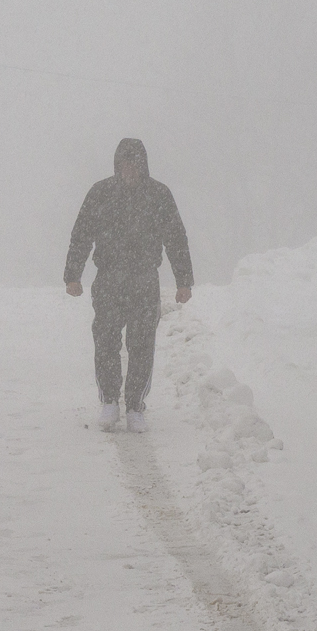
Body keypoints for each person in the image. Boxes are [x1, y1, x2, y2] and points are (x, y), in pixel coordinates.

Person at [62, 136, 192, 431]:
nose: (129, 170)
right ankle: (109, 400)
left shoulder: (159, 195)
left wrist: (184, 280)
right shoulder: (101, 193)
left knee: (141, 344)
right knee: (106, 340)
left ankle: (135, 406)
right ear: (117, 166)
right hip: (108, 278)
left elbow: (176, 238)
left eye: (135, 165)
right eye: (124, 165)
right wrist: (73, 275)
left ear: (143, 166)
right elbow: (81, 234)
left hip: (145, 280)